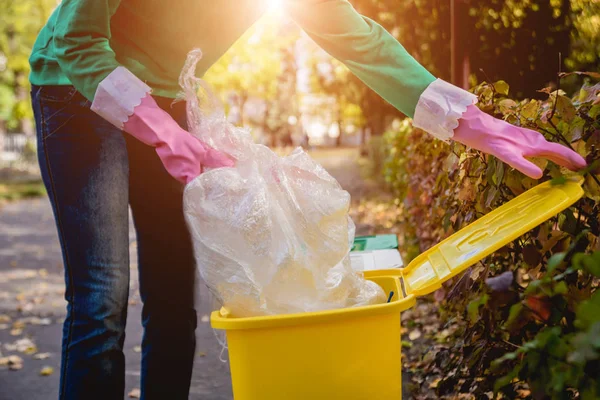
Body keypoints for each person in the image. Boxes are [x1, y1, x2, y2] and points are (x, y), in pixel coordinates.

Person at [28, 1, 586, 399]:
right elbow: (78, 41)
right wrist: (161, 130)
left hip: (167, 99)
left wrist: (475, 123)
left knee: (175, 299)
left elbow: (360, 40)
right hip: (76, 88)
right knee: (103, 295)